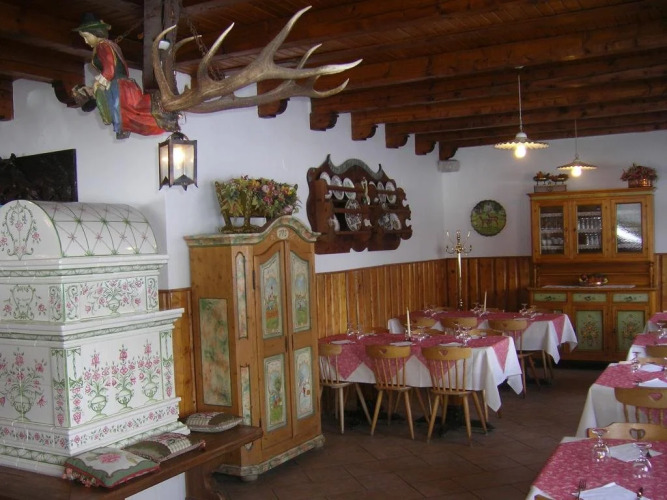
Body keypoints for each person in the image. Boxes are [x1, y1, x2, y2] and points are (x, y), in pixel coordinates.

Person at [71, 13, 178, 138]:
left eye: (86, 36)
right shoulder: (107, 45)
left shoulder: (102, 45)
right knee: (132, 113)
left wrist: (99, 82)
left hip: (118, 86)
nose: (85, 41)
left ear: (95, 33)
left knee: (130, 112)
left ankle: (162, 115)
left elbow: (110, 67)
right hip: (121, 85)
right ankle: (161, 116)